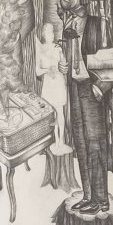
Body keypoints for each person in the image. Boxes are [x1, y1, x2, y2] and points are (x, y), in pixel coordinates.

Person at [56, 0, 110, 215]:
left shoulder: (98, 24)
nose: (65, 0)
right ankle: (88, 196)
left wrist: (101, 87)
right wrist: (64, 66)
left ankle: (101, 200)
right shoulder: (68, 24)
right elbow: (69, 57)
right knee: (80, 143)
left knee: (95, 143)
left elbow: (111, 58)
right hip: (75, 87)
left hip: (91, 87)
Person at [35, 21, 69, 153]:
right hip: (48, 85)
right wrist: (47, 70)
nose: (52, 35)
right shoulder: (40, 50)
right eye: (49, 32)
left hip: (58, 83)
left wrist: (63, 62)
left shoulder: (58, 48)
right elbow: (37, 71)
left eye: (52, 32)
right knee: (51, 114)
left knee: (60, 112)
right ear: (44, 34)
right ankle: (56, 140)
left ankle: (62, 141)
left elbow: (64, 67)